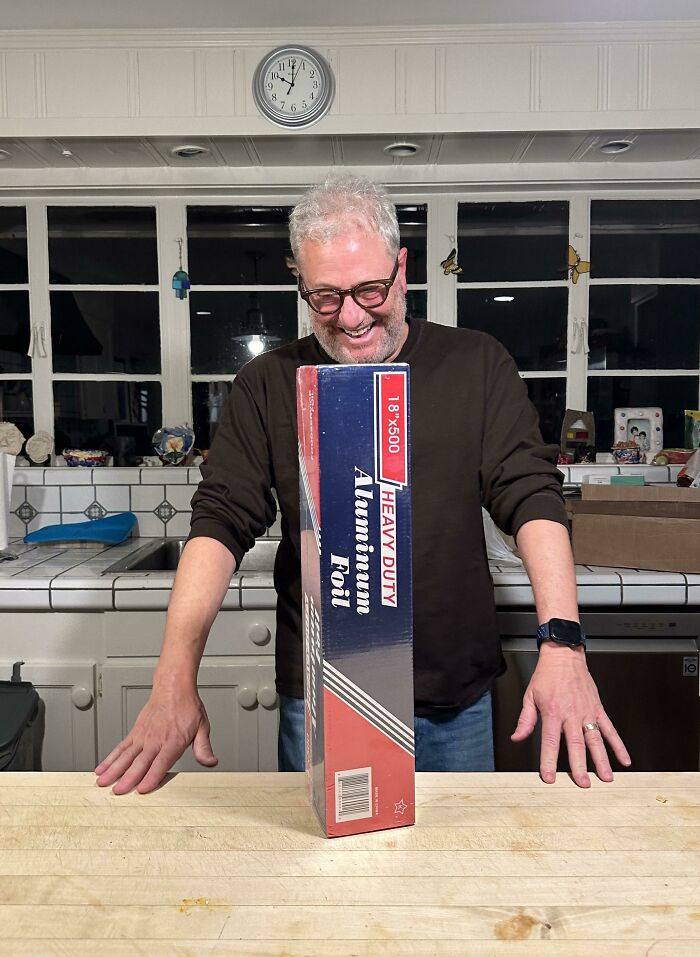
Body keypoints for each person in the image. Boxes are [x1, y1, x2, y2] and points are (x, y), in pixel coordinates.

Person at [95, 174, 631, 795]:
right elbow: (219, 522)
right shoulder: (268, 383)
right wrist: (173, 676)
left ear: (402, 269)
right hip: (325, 696)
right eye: (325, 297)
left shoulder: (477, 364)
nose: (351, 317)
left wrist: (562, 643)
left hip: (453, 698)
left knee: (455, 858)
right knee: (326, 858)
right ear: (301, 284)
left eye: (370, 290)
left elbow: (532, 496)